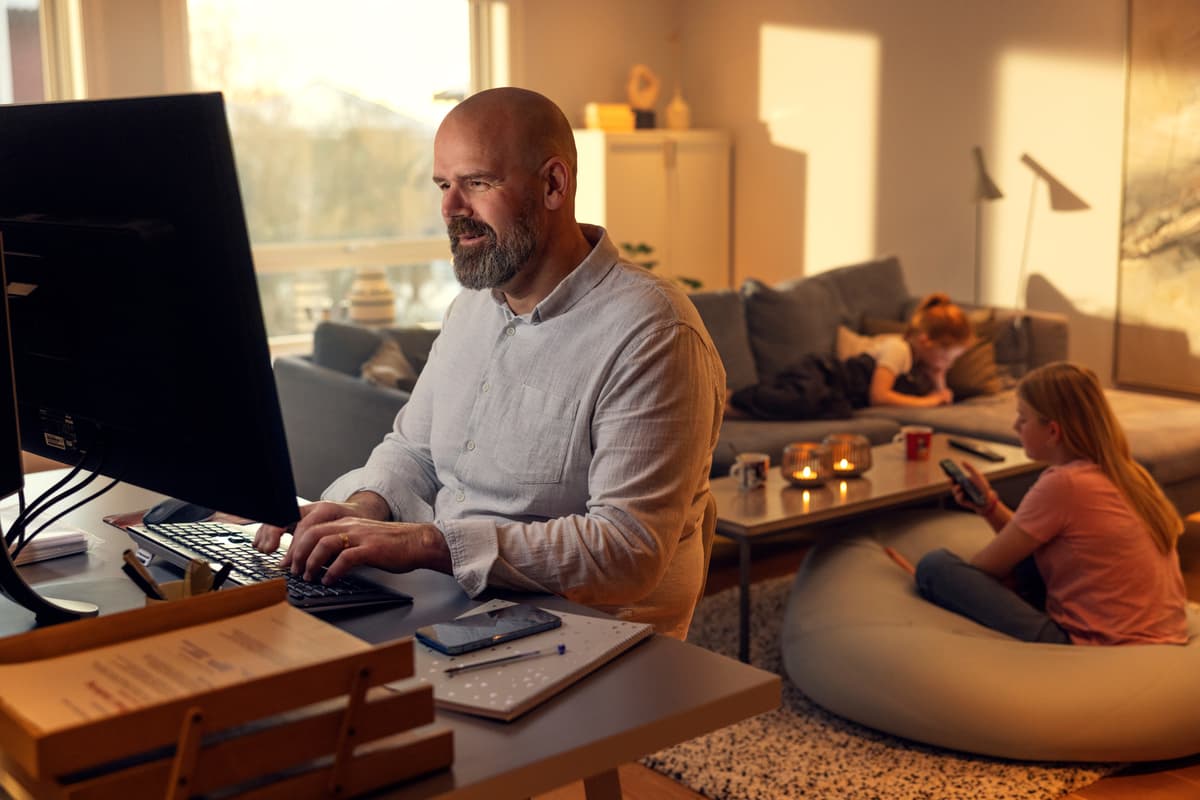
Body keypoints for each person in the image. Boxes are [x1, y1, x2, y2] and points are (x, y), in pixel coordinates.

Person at [254, 87, 726, 639]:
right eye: (443, 185)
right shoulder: (471, 309)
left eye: (477, 182)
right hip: (457, 604)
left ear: (553, 184)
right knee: (265, 643)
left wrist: (429, 543)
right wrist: (365, 507)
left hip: (583, 635)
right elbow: (415, 450)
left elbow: (627, 551)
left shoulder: (654, 333)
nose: (452, 209)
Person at [915, 361, 1188, 645]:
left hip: (1097, 643)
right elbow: (1024, 541)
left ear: (1053, 431)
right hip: (1166, 633)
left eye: (1023, 417)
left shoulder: (1064, 483)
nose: (1015, 426)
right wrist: (990, 507)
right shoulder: (1129, 472)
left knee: (935, 566)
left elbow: (985, 568)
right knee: (1035, 558)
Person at [848, 292, 971, 408]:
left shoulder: (919, 364)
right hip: (837, 386)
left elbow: (944, 401)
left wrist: (938, 379)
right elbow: (879, 396)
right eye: (945, 359)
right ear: (925, 342)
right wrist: (928, 401)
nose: (949, 365)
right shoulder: (898, 349)